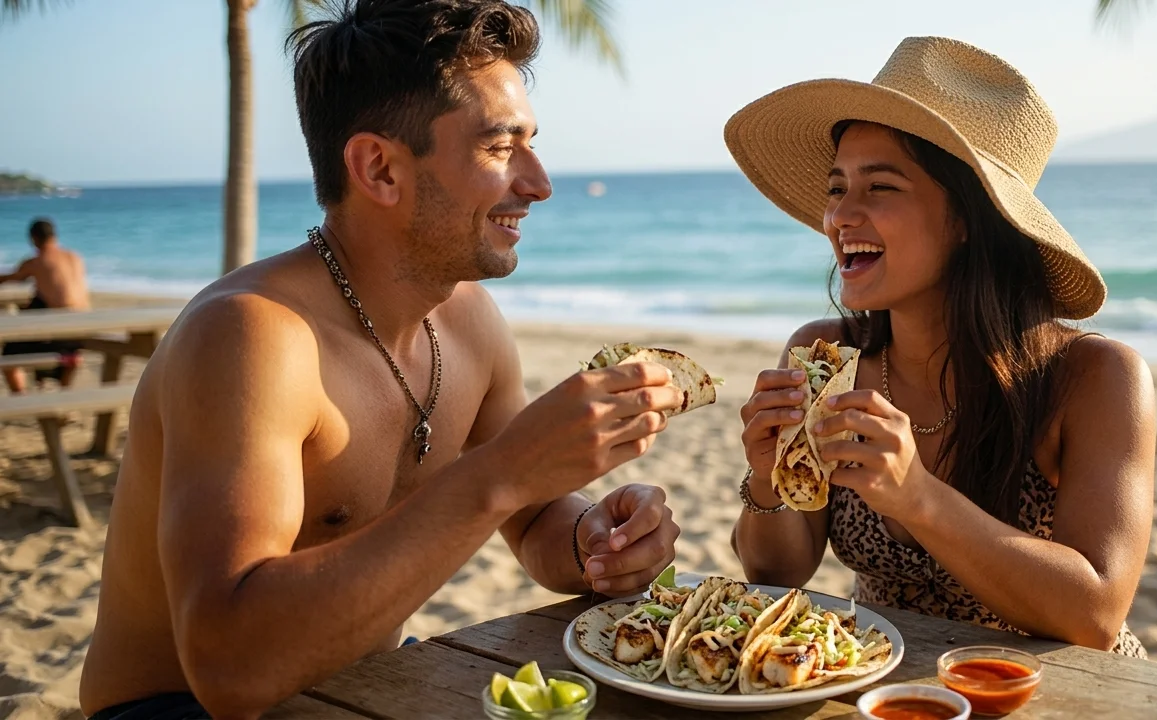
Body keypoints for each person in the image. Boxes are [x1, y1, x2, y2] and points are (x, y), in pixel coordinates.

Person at [79, 3, 684, 717]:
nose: (538, 182)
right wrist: (498, 473)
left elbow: (534, 515)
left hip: (359, 686)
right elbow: (228, 670)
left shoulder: (468, 323)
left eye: (532, 144)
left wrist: (596, 540)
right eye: (500, 148)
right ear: (379, 168)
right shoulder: (251, 338)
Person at [728, 37, 1155, 656]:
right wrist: (768, 478)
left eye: (879, 188)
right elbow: (775, 576)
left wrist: (919, 497)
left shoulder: (1092, 376)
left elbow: (1095, 616)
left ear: (965, 219)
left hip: (1048, 692)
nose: (840, 217)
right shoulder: (825, 356)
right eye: (836, 187)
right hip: (882, 684)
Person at [0, 217, 90, 393]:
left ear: (33, 238)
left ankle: (21, 398)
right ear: (54, 236)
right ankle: (62, 389)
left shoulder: (36, 261)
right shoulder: (75, 257)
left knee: (8, 357)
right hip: (83, 329)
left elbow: (11, 278)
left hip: (59, 332)